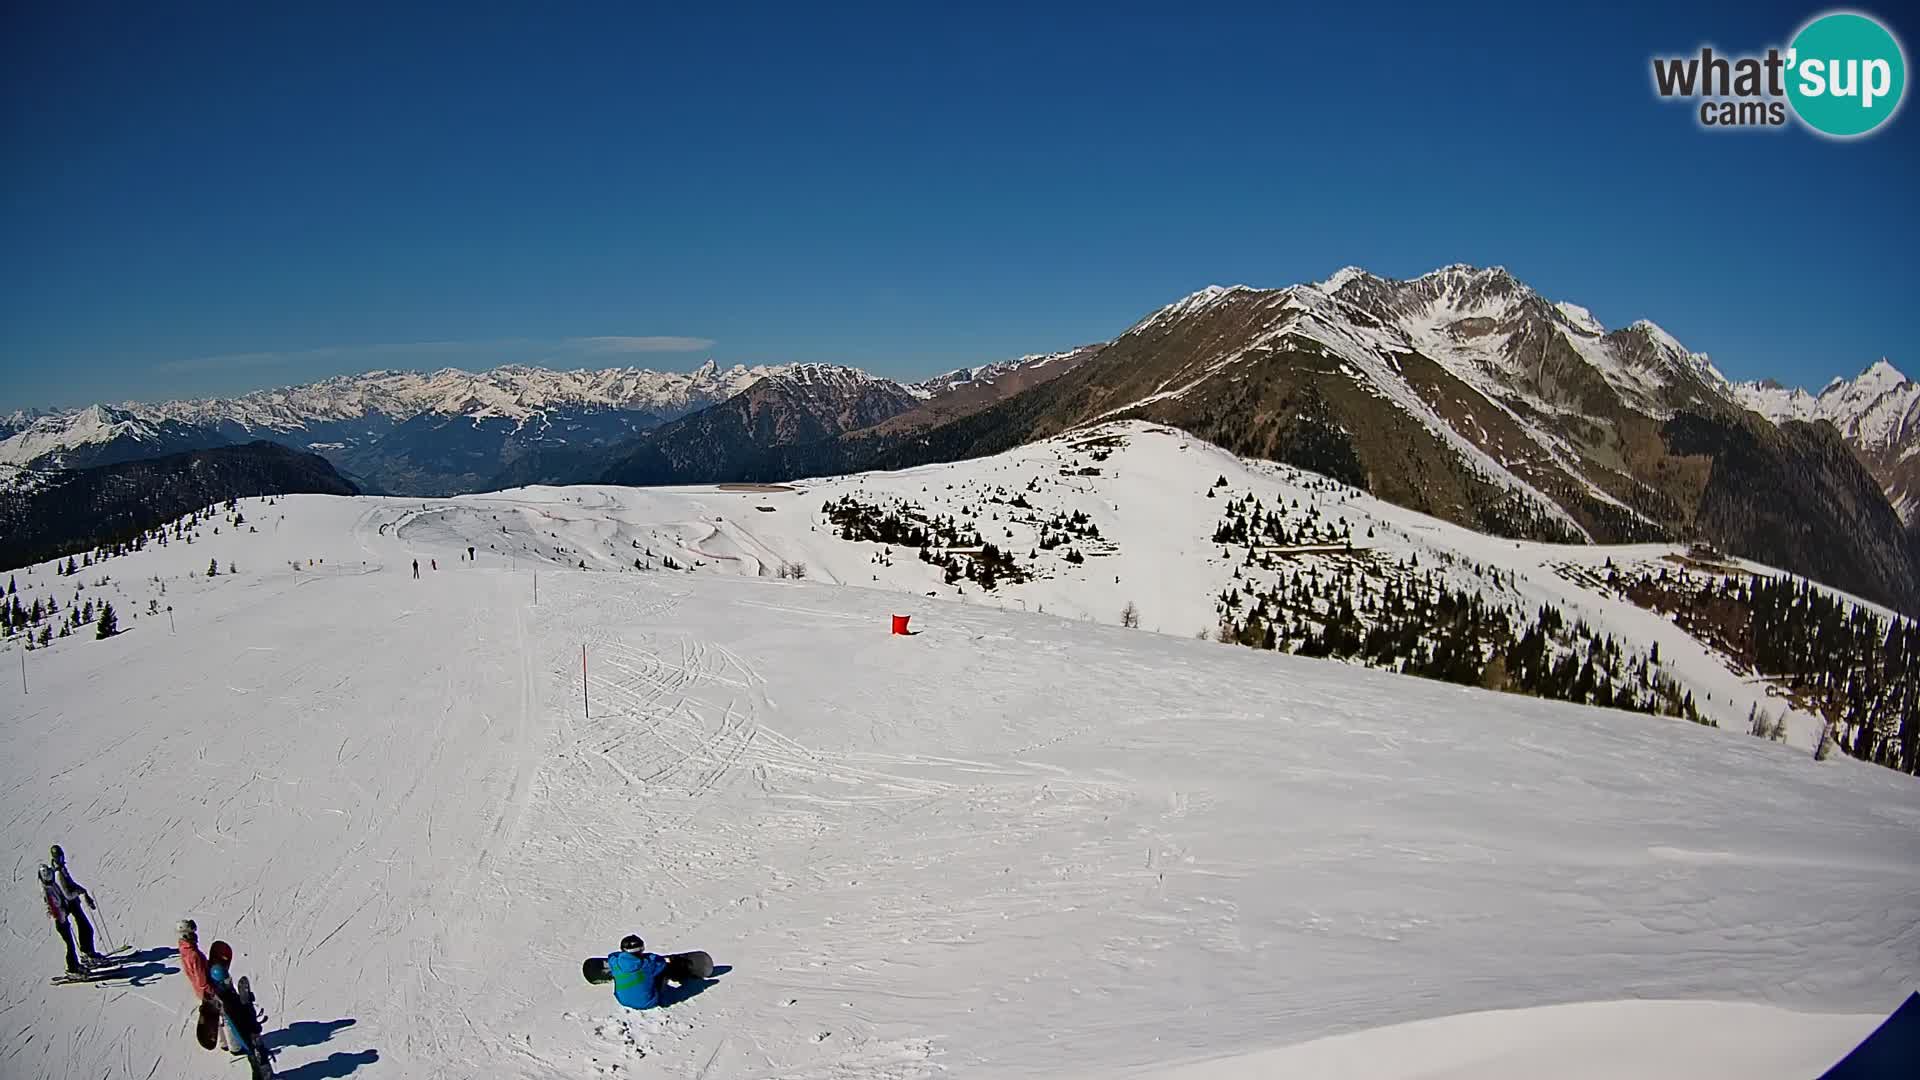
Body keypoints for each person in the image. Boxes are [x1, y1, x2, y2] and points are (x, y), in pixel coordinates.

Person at [43, 846, 101, 970]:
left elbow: (71, 883)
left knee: (85, 927)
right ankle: (86, 954)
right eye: (58, 857)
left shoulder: (61, 869)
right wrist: (78, 892)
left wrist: (83, 891)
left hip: (73, 905)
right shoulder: (58, 874)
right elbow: (67, 895)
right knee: (85, 928)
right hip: (71, 905)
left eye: (61, 856)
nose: (61, 858)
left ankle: (87, 952)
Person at [607, 934, 668, 1010]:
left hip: (622, 1001)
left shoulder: (614, 962)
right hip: (648, 1003)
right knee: (661, 971)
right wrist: (648, 956)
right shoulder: (648, 964)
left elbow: (611, 955)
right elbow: (662, 963)